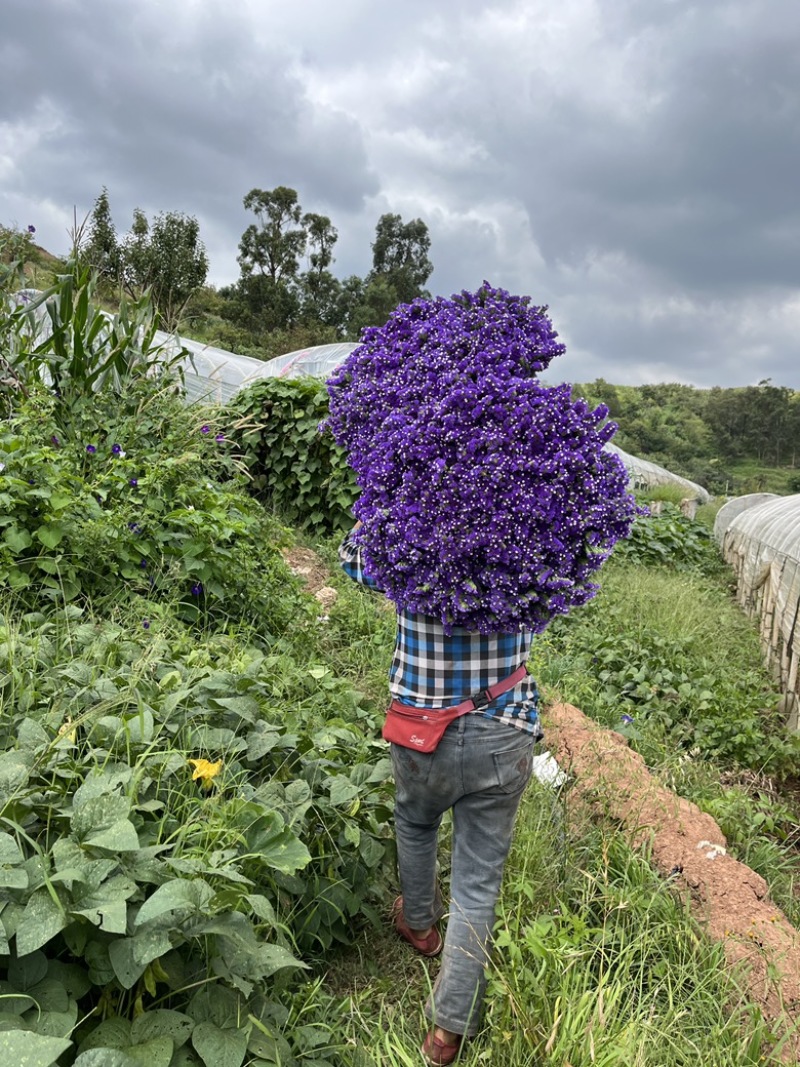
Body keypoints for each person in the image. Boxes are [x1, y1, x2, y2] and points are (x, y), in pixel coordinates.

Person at [339, 523, 543, 1066]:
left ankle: (421, 924)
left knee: (415, 820)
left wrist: (388, 496)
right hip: (503, 727)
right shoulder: (533, 527)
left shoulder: (413, 523)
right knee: (478, 882)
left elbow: (354, 560)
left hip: (420, 727)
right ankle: (448, 1032)